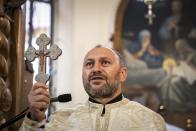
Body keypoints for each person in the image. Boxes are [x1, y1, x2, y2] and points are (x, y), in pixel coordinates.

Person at [19, 45, 166, 131]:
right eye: (89, 64)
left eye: (105, 62)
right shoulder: (60, 121)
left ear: (122, 74)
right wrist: (35, 118)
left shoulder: (149, 122)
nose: (95, 69)